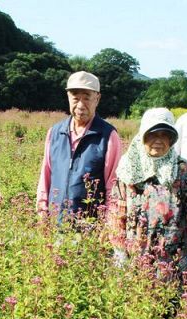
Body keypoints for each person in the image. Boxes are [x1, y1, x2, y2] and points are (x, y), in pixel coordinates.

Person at [109, 108, 187, 277]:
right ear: (142, 135)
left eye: (164, 134)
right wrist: (120, 252)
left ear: (172, 139)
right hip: (134, 260)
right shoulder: (128, 168)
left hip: (172, 263)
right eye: (152, 134)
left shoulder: (184, 171)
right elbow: (117, 214)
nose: (158, 140)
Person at [36, 71, 122, 218]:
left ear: (97, 98)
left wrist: (109, 225)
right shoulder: (55, 132)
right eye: (75, 98)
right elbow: (46, 176)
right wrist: (42, 211)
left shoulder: (108, 136)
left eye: (87, 98)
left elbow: (112, 187)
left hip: (90, 227)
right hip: (54, 224)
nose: (80, 105)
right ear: (68, 98)